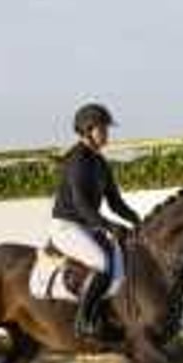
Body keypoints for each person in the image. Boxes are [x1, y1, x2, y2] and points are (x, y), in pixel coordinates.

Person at [50, 103, 141, 337]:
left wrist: (138, 221)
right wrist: (109, 226)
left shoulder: (100, 163)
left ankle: (108, 316)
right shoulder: (77, 160)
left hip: (87, 226)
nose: (107, 134)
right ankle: (83, 321)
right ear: (88, 130)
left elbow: (115, 203)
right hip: (67, 226)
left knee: (120, 263)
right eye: (103, 128)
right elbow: (81, 206)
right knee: (101, 262)